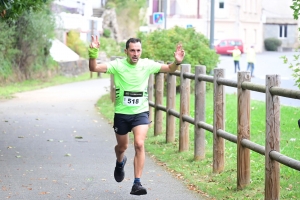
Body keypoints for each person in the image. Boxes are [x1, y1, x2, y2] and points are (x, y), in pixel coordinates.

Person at [88, 36, 185, 195]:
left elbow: (169, 69)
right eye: (132, 50)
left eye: (138, 50)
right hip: (122, 114)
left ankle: (137, 183)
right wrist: (93, 52)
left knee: (139, 143)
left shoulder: (146, 65)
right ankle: (120, 162)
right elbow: (94, 68)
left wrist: (177, 62)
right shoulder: (118, 65)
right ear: (126, 51)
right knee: (122, 147)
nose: (135, 53)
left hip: (140, 113)